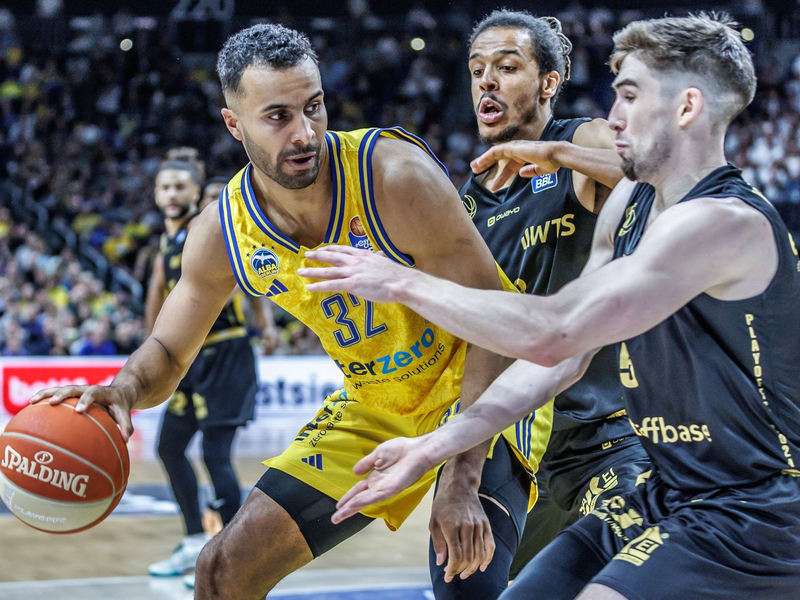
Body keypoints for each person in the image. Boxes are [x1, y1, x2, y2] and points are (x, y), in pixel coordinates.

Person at [31, 24, 552, 600]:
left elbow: (497, 322)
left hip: (486, 385)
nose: (305, 133)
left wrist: (462, 469)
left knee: (465, 583)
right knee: (222, 571)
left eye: (314, 107)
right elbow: (169, 351)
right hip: (378, 401)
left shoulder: (394, 177)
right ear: (235, 124)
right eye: (278, 116)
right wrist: (124, 390)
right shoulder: (220, 231)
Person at [301, 13, 800, 600]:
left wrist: (403, 284)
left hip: (756, 509)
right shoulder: (629, 208)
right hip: (666, 492)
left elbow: (555, 330)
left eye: (629, 97)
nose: (612, 117)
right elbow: (559, 361)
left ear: (686, 108)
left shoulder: (722, 224)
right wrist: (432, 448)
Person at [462, 10, 649, 575]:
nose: (486, 82)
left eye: (506, 67)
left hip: (607, 436)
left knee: (630, 564)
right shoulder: (465, 201)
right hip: (518, 452)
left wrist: (554, 154)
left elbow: (650, 170)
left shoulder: (579, 139)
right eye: (476, 70)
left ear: (548, 82)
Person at [145, 157, 259, 577]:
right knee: (169, 448)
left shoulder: (208, 229)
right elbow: (158, 296)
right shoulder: (167, 240)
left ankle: (233, 554)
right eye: (165, 187)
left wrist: (261, 324)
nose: (172, 195)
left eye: (180, 187)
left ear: (196, 194)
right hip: (191, 358)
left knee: (215, 454)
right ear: (156, 195)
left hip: (224, 353)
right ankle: (195, 540)